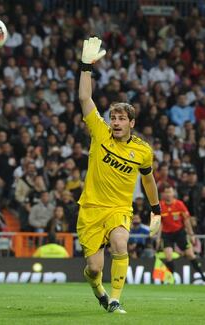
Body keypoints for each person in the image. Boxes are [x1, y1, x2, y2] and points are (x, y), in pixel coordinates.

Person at [77, 37, 161, 314]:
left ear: (131, 123)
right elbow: (84, 98)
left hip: (118, 208)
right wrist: (85, 66)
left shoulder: (143, 151)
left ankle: (114, 299)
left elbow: (148, 180)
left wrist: (155, 210)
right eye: (113, 117)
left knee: (120, 242)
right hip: (90, 208)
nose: (115, 122)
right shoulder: (100, 133)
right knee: (93, 268)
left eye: (121, 118)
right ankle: (98, 290)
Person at [158, 185, 205, 282]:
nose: (168, 194)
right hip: (167, 234)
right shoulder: (160, 206)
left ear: (173, 193)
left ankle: (202, 275)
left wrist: (191, 234)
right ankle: (171, 279)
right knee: (168, 256)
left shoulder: (179, 204)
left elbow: (186, 221)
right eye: (166, 193)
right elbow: (159, 223)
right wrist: (158, 237)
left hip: (180, 233)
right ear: (163, 194)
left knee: (190, 255)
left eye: (170, 192)